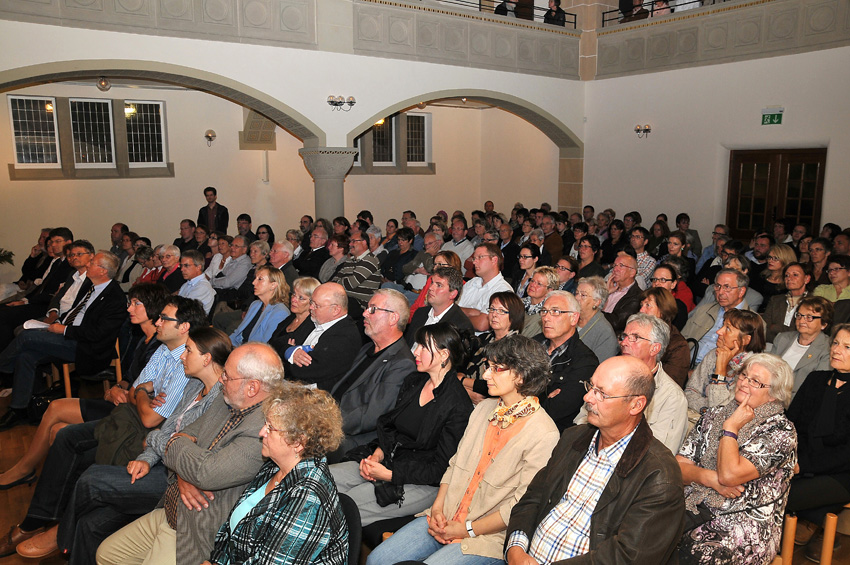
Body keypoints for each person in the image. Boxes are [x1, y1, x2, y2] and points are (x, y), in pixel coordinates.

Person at [27, 327, 232, 564]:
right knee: (89, 523)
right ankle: (67, 539)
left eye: (188, 350)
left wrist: (154, 440)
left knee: (92, 478)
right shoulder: (194, 385)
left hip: (175, 481)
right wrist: (146, 457)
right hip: (160, 465)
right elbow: (168, 433)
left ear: (207, 358)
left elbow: (178, 444)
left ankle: (59, 537)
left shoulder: (220, 400)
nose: (183, 357)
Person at [367, 334, 560, 565]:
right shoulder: (483, 409)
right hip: (445, 516)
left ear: (521, 375)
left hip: (487, 537)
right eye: (488, 367)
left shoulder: (544, 433)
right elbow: (455, 463)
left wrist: (466, 530)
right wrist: (438, 508)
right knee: (377, 559)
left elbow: (519, 506)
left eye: (496, 369)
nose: (486, 375)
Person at [95, 342, 283, 564]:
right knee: (107, 555)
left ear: (252, 387)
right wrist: (185, 473)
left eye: (228, 376)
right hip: (171, 507)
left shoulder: (265, 427)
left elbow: (204, 472)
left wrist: (168, 446)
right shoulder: (227, 400)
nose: (221, 379)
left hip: (197, 526)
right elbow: (183, 434)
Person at [506, 356, 685, 564]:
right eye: (590, 386)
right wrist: (516, 548)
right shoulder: (574, 438)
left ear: (636, 405)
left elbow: (628, 557)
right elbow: (533, 498)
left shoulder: (659, 475)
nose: (588, 398)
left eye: (602, 393)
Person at [0, 283, 168, 491]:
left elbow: (144, 394)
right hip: (122, 403)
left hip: (131, 413)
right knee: (56, 422)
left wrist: (122, 392)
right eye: (130, 303)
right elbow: (128, 379)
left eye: (136, 304)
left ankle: (30, 473)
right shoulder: (143, 339)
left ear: (152, 307)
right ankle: (47, 483)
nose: (128, 309)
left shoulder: (159, 347)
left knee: (58, 419)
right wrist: (116, 388)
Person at [332, 324, 473, 526]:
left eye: (424, 347)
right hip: (389, 461)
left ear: (444, 355)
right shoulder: (414, 381)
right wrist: (377, 455)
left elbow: (440, 469)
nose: (415, 351)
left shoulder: (458, 406)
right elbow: (392, 428)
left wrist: (389, 475)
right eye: (418, 345)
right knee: (321, 479)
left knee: (345, 506)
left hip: (421, 481)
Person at [202, 385, 348, 565]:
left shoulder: (308, 498)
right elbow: (232, 531)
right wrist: (216, 561)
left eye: (271, 428)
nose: (262, 432)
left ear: (298, 442)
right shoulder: (275, 466)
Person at [677, 353, 796, 564]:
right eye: (744, 375)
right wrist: (707, 478)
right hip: (692, 504)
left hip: (742, 525)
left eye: (756, 381)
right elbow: (678, 467)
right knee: (641, 534)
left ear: (774, 395)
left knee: (691, 554)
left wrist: (731, 428)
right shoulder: (714, 414)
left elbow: (729, 475)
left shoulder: (781, 432)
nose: (744, 383)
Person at [0, 250, 128, 429]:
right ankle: (18, 409)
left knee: (26, 336)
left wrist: (64, 330)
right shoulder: (90, 286)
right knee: (26, 355)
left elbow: (97, 334)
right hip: (69, 337)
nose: (88, 264)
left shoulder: (115, 297)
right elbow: (75, 312)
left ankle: (4, 368)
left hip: (86, 347)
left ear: (102, 271)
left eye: (92, 263)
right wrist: (59, 322)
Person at [784, 323, 850, 561]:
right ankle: (813, 524)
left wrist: (804, 465)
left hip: (841, 472)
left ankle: (813, 524)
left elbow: (846, 454)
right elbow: (791, 423)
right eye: (835, 343)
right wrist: (792, 458)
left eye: (847, 346)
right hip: (801, 459)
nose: (837, 350)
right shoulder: (815, 379)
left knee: (784, 494)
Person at [330, 289, 417, 455]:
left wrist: (326, 422)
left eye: (373, 309)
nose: (364, 313)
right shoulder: (368, 348)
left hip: (352, 440)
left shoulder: (402, 363)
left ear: (393, 318)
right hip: (333, 422)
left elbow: (370, 416)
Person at [684, 309, 766, 422]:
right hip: (694, 418)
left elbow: (724, 413)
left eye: (728, 328)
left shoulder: (753, 370)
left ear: (746, 340)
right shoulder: (714, 354)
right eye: (722, 325)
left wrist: (720, 368)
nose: (719, 332)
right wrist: (706, 409)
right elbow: (690, 392)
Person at [278, 282, 362, 391]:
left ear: (336, 310)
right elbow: (277, 343)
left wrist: (282, 359)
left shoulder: (345, 336)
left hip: (311, 397)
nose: (311, 307)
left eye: (316, 305)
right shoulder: (314, 319)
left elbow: (306, 372)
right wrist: (290, 351)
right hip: (290, 384)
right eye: (311, 302)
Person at [535, 290, 599, 431]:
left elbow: (555, 410)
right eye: (544, 311)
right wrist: (545, 395)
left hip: (548, 433)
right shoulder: (532, 344)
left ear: (574, 318)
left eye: (555, 312)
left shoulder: (585, 361)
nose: (546, 318)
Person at [460, 291, 524, 404]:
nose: (494, 314)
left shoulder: (515, 347)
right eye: (492, 309)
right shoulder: (484, 338)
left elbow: (488, 386)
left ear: (513, 316)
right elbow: (460, 368)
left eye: (501, 311)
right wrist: (465, 390)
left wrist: (462, 380)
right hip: (465, 395)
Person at [682, 268, 752, 365]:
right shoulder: (704, 310)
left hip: (717, 371)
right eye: (718, 286)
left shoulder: (753, 322)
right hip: (685, 362)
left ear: (741, 291)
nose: (721, 292)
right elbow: (681, 339)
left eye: (727, 287)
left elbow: (744, 364)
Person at [769, 296, 833, 396]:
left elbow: (817, 386)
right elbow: (767, 369)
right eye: (799, 315)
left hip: (799, 401)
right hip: (770, 393)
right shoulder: (782, 338)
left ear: (824, 324)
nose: (802, 321)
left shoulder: (828, 348)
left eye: (809, 317)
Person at [640, 286, 691, 387]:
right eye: (641, 305)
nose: (641, 310)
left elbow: (669, 385)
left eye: (648, 305)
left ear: (662, 311)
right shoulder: (637, 332)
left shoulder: (678, 346)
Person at [229, 264, 291, 346]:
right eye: (255, 278)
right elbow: (238, 333)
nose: (253, 282)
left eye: (260, 279)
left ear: (273, 285)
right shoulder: (255, 305)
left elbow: (265, 346)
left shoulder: (280, 312)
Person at [457, 243, 513, 332]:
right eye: (474, 258)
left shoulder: (503, 290)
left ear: (494, 260)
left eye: (480, 257)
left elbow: (482, 324)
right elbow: (452, 309)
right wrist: (474, 312)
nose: (474, 262)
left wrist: (456, 316)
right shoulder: (472, 283)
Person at [268, 276, 319, 357]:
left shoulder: (312, 327)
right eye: (294, 294)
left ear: (312, 303)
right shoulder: (290, 318)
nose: (293, 299)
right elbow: (270, 343)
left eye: (301, 298)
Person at [762, 262, 811, 342]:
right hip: (771, 344)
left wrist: (775, 327)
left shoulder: (812, 302)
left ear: (806, 279)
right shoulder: (775, 300)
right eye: (786, 275)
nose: (789, 278)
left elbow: (805, 332)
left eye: (795, 275)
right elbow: (765, 327)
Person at [575, 276, 619, 362]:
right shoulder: (570, 318)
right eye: (576, 293)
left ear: (596, 302)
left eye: (583, 295)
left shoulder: (605, 332)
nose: (576, 298)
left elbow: (599, 367)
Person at [752, 243, 797, 311]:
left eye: (775, 258)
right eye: (769, 257)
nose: (770, 261)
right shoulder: (760, 277)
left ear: (785, 260)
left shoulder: (789, 283)